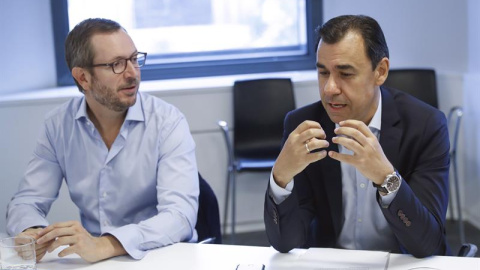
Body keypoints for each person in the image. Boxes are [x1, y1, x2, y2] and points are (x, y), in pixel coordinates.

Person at [6, 18, 199, 262]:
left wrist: (107, 244)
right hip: (97, 260)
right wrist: (30, 231)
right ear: (83, 78)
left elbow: (180, 217)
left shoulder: (167, 122)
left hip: (164, 254)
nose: (132, 74)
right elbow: (27, 201)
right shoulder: (58, 126)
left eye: (133, 59)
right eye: (116, 64)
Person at [264, 15, 451, 258]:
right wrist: (280, 178)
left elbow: (428, 244)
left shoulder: (425, 126)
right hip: (333, 263)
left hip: (401, 263)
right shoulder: (304, 127)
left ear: (380, 71)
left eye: (346, 74)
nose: (330, 88)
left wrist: (387, 180)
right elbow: (285, 243)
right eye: (323, 73)